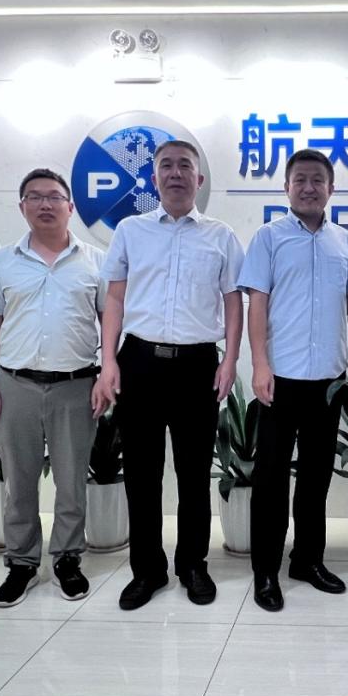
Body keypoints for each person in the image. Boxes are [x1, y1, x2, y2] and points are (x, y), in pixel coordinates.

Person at [93, 139, 244, 611]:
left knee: (194, 472)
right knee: (141, 473)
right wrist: (109, 360)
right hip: (139, 361)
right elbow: (114, 298)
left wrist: (230, 359)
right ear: (154, 177)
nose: (175, 173)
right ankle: (147, 570)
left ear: (199, 179)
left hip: (198, 365)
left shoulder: (221, 235)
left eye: (184, 166)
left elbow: (233, 301)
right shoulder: (131, 231)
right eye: (166, 166)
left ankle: (193, 564)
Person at [0, 168, 107, 607]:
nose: (45, 204)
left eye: (53, 196)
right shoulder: (3, 261)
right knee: (19, 480)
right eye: (34, 197)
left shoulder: (96, 261)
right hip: (16, 385)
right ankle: (22, 562)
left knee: (71, 481)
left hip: (76, 385)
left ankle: (67, 559)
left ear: (71, 206)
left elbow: (111, 321)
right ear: (22, 207)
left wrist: (108, 372)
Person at [238, 149, 348, 612]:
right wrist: (259, 364)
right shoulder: (269, 238)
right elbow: (258, 304)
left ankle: (307, 560)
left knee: (316, 477)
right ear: (286, 187)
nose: (309, 187)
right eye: (300, 179)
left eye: (317, 180)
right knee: (270, 479)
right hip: (280, 378)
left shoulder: (345, 243)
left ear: (331, 188)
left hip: (328, 380)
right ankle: (266, 570)